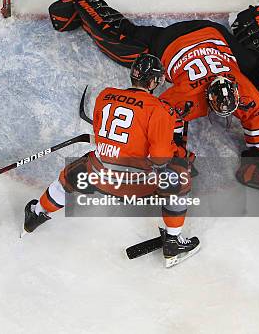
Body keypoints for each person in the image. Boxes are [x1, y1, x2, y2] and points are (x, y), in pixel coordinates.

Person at [49, 0, 259, 190]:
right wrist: (176, 154)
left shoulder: (245, 92)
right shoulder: (188, 96)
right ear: (207, 97)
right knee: (123, 46)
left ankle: (256, 19)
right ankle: (79, 4)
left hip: (215, 36)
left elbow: (257, 119)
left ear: (235, 88)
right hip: (172, 41)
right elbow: (163, 121)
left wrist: (177, 156)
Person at [24, 54, 199, 268]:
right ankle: (173, 242)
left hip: (99, 177)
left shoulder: (105, 96)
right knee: (180, 179)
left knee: (70, 176)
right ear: (154, 82)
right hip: (136, 187)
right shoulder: (160, 110)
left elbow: (100, 134)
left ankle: (37, 214)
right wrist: (180, 154)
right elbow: (160, 158)